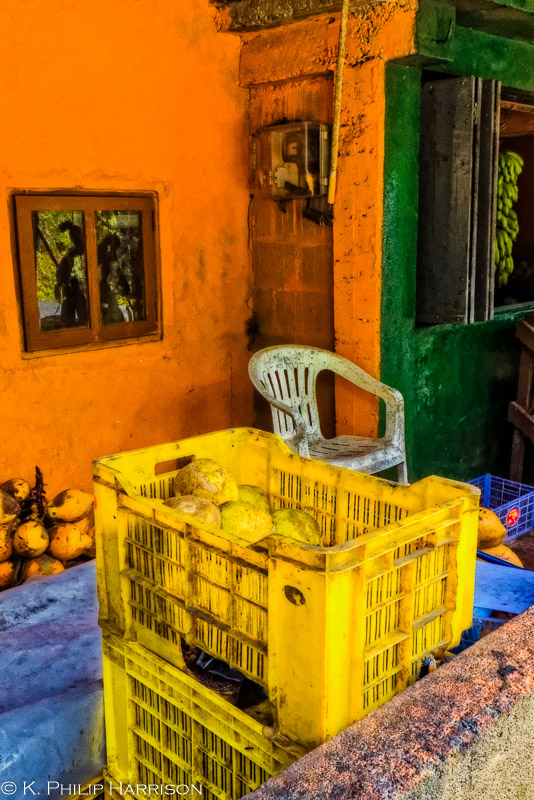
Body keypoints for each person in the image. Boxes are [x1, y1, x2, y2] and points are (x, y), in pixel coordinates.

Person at [55, 221, 88, 327]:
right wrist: (61, 283)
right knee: (68, 321)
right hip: (72, 293)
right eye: (73, 236)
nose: (75, 239)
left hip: (83, 294)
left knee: (85, 320)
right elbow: (61, 275)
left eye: (77, 235)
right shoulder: (69, 256)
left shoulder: (87, 253)